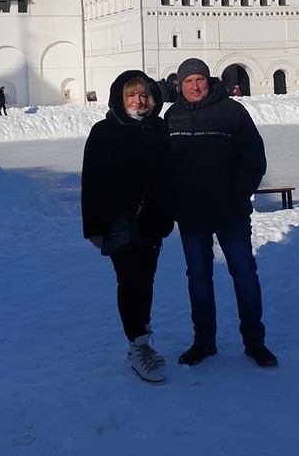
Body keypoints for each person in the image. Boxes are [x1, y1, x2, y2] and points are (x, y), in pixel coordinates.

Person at [165, 58, 277, 369]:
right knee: (199, 279)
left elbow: (254, 157)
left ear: (209, 80)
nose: (195, 86)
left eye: (199, 79)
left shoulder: (233, 112)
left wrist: (238, 194)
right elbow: (164, 166)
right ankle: (204, 342)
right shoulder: (172, 115)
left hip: (230, 213)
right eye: (188, 82)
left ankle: (255, 342)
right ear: (180, 85)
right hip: (191, 215)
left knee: (244, 274)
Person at [82, 70, 174, 384]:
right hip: (118, 224)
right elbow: (91, 182)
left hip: (153, 223)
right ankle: (137, 344)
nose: (138, 101)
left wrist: (170, 214)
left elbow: (169, 176)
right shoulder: (104, 131)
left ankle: (142, 338)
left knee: (146, 280)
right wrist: (94, 228)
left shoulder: (159, 128)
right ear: (120, 99)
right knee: (130, 282)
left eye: (143, 95)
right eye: (131, 95)